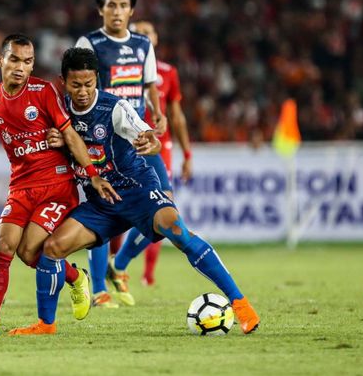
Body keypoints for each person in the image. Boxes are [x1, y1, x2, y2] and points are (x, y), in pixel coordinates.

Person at [15, 47, 260, 335]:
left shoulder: (115, 108)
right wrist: (54, 139)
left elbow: (149, 138)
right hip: (101, 202)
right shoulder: (58, 112)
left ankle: (241, 304)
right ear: (63, 82)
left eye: (89, 84)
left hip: (137, 191)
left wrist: (149, 143)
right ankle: (46, 324)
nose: (82, 91)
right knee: (53, 248)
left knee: (177, 231)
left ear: (97, 80)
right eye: (75, 85)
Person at [0, 33, 119, 337]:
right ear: (0, 60)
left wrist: (92, 173)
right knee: (7, 247)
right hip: (20, 186)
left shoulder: (44, 92)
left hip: (56, 184)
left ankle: (73, 281)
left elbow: (69, 134)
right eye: (15, 59)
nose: (21, 67)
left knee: (32, 251)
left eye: (28, 61)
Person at [75, 0, 169, 308]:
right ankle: (99, 288)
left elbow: (149, 85)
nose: (117, 11)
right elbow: (81, 88)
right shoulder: (90, 42)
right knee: (102, 209)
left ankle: (122, 262)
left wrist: (159, 113)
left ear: (132, 11)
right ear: (100, 9)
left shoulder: (144, 44)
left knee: (166, 205)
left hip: (139, 137)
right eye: (111, 5)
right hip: (105, 139)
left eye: (123, 5)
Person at [111, 20, 194, 289]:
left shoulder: (169, 73)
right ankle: (113, 266)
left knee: (163, 207)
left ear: (155, 39)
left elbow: (177, 116)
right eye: (139, 32)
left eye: (149, 33)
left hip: (159, 146)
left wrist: (187, 154)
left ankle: (129, 268)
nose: (144, 37)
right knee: (117, 207)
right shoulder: (121, 68)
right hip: (124, 143)